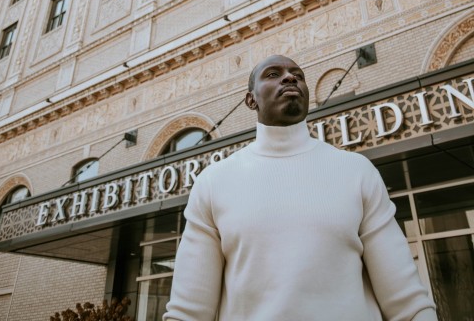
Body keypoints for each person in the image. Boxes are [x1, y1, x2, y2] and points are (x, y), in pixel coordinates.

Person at [164, 54, 437, 321]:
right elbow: (188, 311)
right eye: (273, 74)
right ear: (251, 100)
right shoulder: (214, 182)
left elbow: (408, 302)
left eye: (298, 75)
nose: (290, 77)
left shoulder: (357, 170)